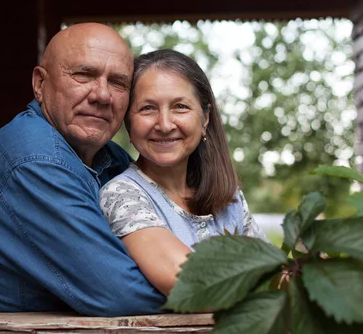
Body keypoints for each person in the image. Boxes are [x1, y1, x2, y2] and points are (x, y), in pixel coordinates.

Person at [0, 23, 166, 316]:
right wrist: (220, 287)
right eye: (83, 75)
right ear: (39, 85)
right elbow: (121, 293)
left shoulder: (110, 159)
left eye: (118, 83)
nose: (102, 95)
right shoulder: (35, 158)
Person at [100, 49, 267, 296]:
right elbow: (197, 284)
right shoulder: (121, 195)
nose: (165, 125)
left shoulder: (230, 198)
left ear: (206, 118)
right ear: (128, 121)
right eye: (147, 108)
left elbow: (275, 270)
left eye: (180, 107)